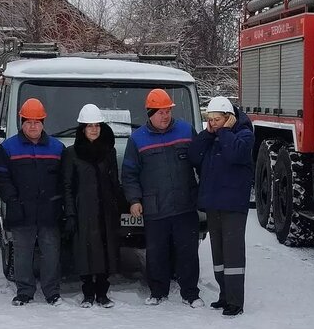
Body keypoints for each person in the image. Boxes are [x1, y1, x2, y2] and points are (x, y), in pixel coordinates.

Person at [122, 88, 202, 307]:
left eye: (167, 111)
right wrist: (135, 200)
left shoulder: (186, 131)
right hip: (155, 207)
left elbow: (202, 163)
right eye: (160, 112)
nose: (165, 116)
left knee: (188, 252)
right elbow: (129, 174)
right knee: (157, 253)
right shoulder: (137, 139)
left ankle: (191, 293)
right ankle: (158, 292)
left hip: (185, 205)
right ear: (150, 113)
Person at [0, 98, 65, 306]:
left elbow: (64, 180)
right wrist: (12, 200)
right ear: (21, 122)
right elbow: (0, 176)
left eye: (37, 122)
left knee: (51, 252)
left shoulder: (57, 148)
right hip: (21, 209)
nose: (33, 126)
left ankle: (52, 291)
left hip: (49, 211)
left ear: (43, 123)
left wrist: (59, 203)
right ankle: (24, 291)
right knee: (22, 253)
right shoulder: (8, 148)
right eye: (28, 122)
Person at [188, 96, 254, 317]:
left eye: (217, 119)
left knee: (233, 255)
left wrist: (224, 132)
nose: (213, 123)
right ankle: (224, 295)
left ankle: (235, 301)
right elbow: (193, 155)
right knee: (219, 255)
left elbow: (235, 154)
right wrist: (207, 134)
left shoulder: (244, 135)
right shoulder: (211, 136)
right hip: (214, 204)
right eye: (210, 119)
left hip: (233, 206)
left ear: (229, 118)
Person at [62, 103, 125, 308]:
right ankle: (88, 293)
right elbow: (68, 186)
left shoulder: (108, 151)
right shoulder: (72, 153)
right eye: (90, 126)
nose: (94, 129)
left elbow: (114, 182)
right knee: (85, 253)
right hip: (83, 211)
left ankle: (103, 293)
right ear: (82, 128)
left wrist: (118, 207)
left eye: (97, 125)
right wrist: (71, 214)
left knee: (106, 253)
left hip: (105, 211)